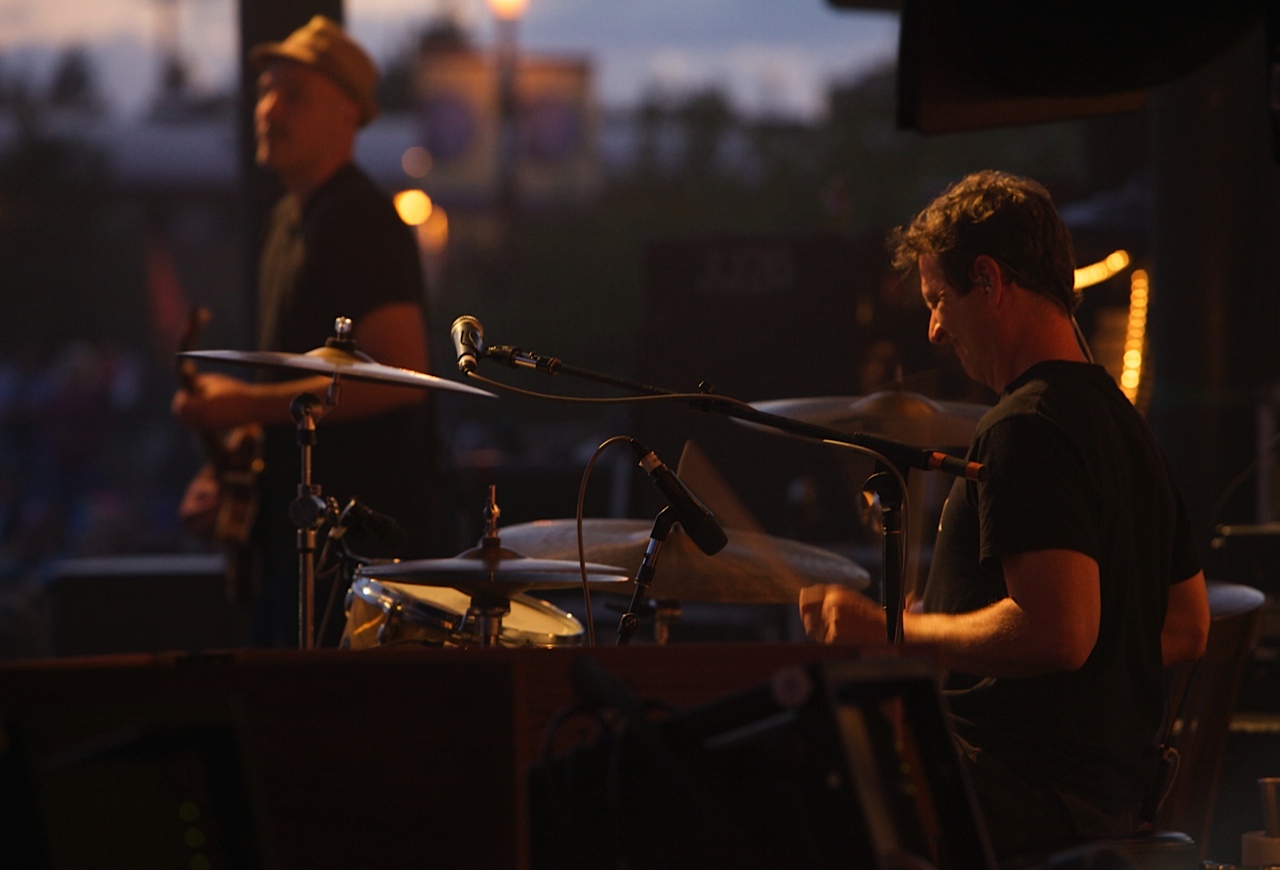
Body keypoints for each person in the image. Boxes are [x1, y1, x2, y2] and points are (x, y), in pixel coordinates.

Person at [799, 170, 1211, 864]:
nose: (934, 329)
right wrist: (968, 631)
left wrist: (896, 631)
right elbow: (1187, 625)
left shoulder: (1027, 425)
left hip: (1017, 795)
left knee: (788, 788)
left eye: (939, 300)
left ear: (988, 281)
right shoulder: (1123, 422)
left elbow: (1059, 630)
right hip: (1106, 798)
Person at [172, 16, 441, 647]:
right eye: (267, 91)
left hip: (361, 563)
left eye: (294, 95)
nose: (269, 109)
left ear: (349, 115)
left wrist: (242, 404)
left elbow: (401, 377)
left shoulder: (362, 220)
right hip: (297, 547)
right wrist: (232, 468)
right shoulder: (285, 225)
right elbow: (297, 387)